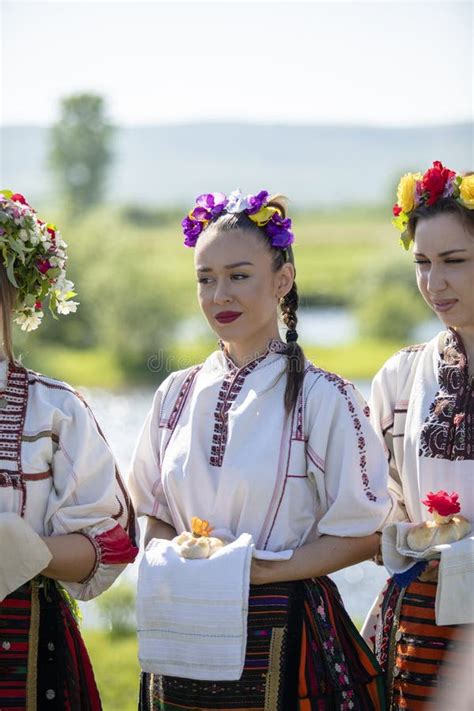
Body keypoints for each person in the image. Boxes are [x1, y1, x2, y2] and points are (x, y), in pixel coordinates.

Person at [129, 189, 392, 710]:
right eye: (206, 279)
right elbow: (153, 511)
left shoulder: (325, 398)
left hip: (285, 632)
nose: (219, 295)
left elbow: (365, 534)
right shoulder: (175, 393)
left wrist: (263, 569)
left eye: (239, 275)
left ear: (282, 281)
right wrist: (173, 562)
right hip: (183, 628)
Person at [0, 190, 138, 710]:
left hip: (27, 659)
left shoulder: (55, 411)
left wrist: (21, 549)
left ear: (12, 293)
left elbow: (109, 546)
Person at [362, 162, 474, 709]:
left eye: (454, 261)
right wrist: (402, 535)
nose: (434, 283)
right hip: (422, 627)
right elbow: (376, 501)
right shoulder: (402, 376)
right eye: (422, 264)